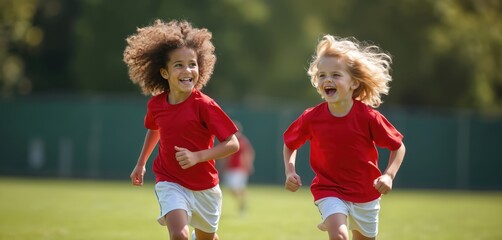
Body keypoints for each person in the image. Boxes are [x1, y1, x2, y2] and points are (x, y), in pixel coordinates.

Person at [124, 19, 239, 240]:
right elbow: (155, 129)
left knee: (206, 238)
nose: (187, 70)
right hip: (170, 181)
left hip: (205, 187)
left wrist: (198, 156)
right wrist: (141, 163)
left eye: (192, 64)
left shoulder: (205, 105)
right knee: (180, 235)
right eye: (178, 65)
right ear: (164, 73)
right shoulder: (156, 105)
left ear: (200, 67)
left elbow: (232, 143)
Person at [282, 35, 406, 240]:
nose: (327, 80)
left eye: (335, 75)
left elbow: (398, 146)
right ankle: (334, 218)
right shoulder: (311, 118)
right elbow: (289, 144)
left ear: (354, 83)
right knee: (339, 236)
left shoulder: (369, 117)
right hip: (329, 189)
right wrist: (290, 171)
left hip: (366, 193)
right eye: (322, 75)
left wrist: (388, 176)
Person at [221, 120, 255, 216]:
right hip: (229, 168)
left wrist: (248, 165)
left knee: (235, 187)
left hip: (239, 168)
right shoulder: (227, 140)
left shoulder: (242, 141)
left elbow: (248, 153)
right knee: (231, 188)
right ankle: (242, 202)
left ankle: (242, 204)